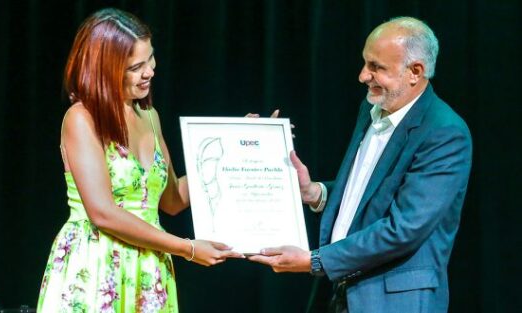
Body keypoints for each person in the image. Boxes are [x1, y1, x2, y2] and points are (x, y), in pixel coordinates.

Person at [249, 16, 472, 313]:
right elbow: (366, 192)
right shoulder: (371, 109)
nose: (362, 76)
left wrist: (315, 260)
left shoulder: (444, 132)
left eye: (376, 67)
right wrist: (316, 193)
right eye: (365, 63)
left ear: (415, 72)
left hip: (395, 301)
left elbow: (403, 229)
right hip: (342, 291)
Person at [37, 8, 243, 312]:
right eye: (136, 66)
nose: (149, 72)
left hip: (148, 267)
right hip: (96, 265)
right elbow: (103, 213)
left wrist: (235, 146)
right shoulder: (81, 119)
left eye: (151, 58)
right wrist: (186, 248)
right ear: (105, 69)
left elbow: (171, 200)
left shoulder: (150, 117)